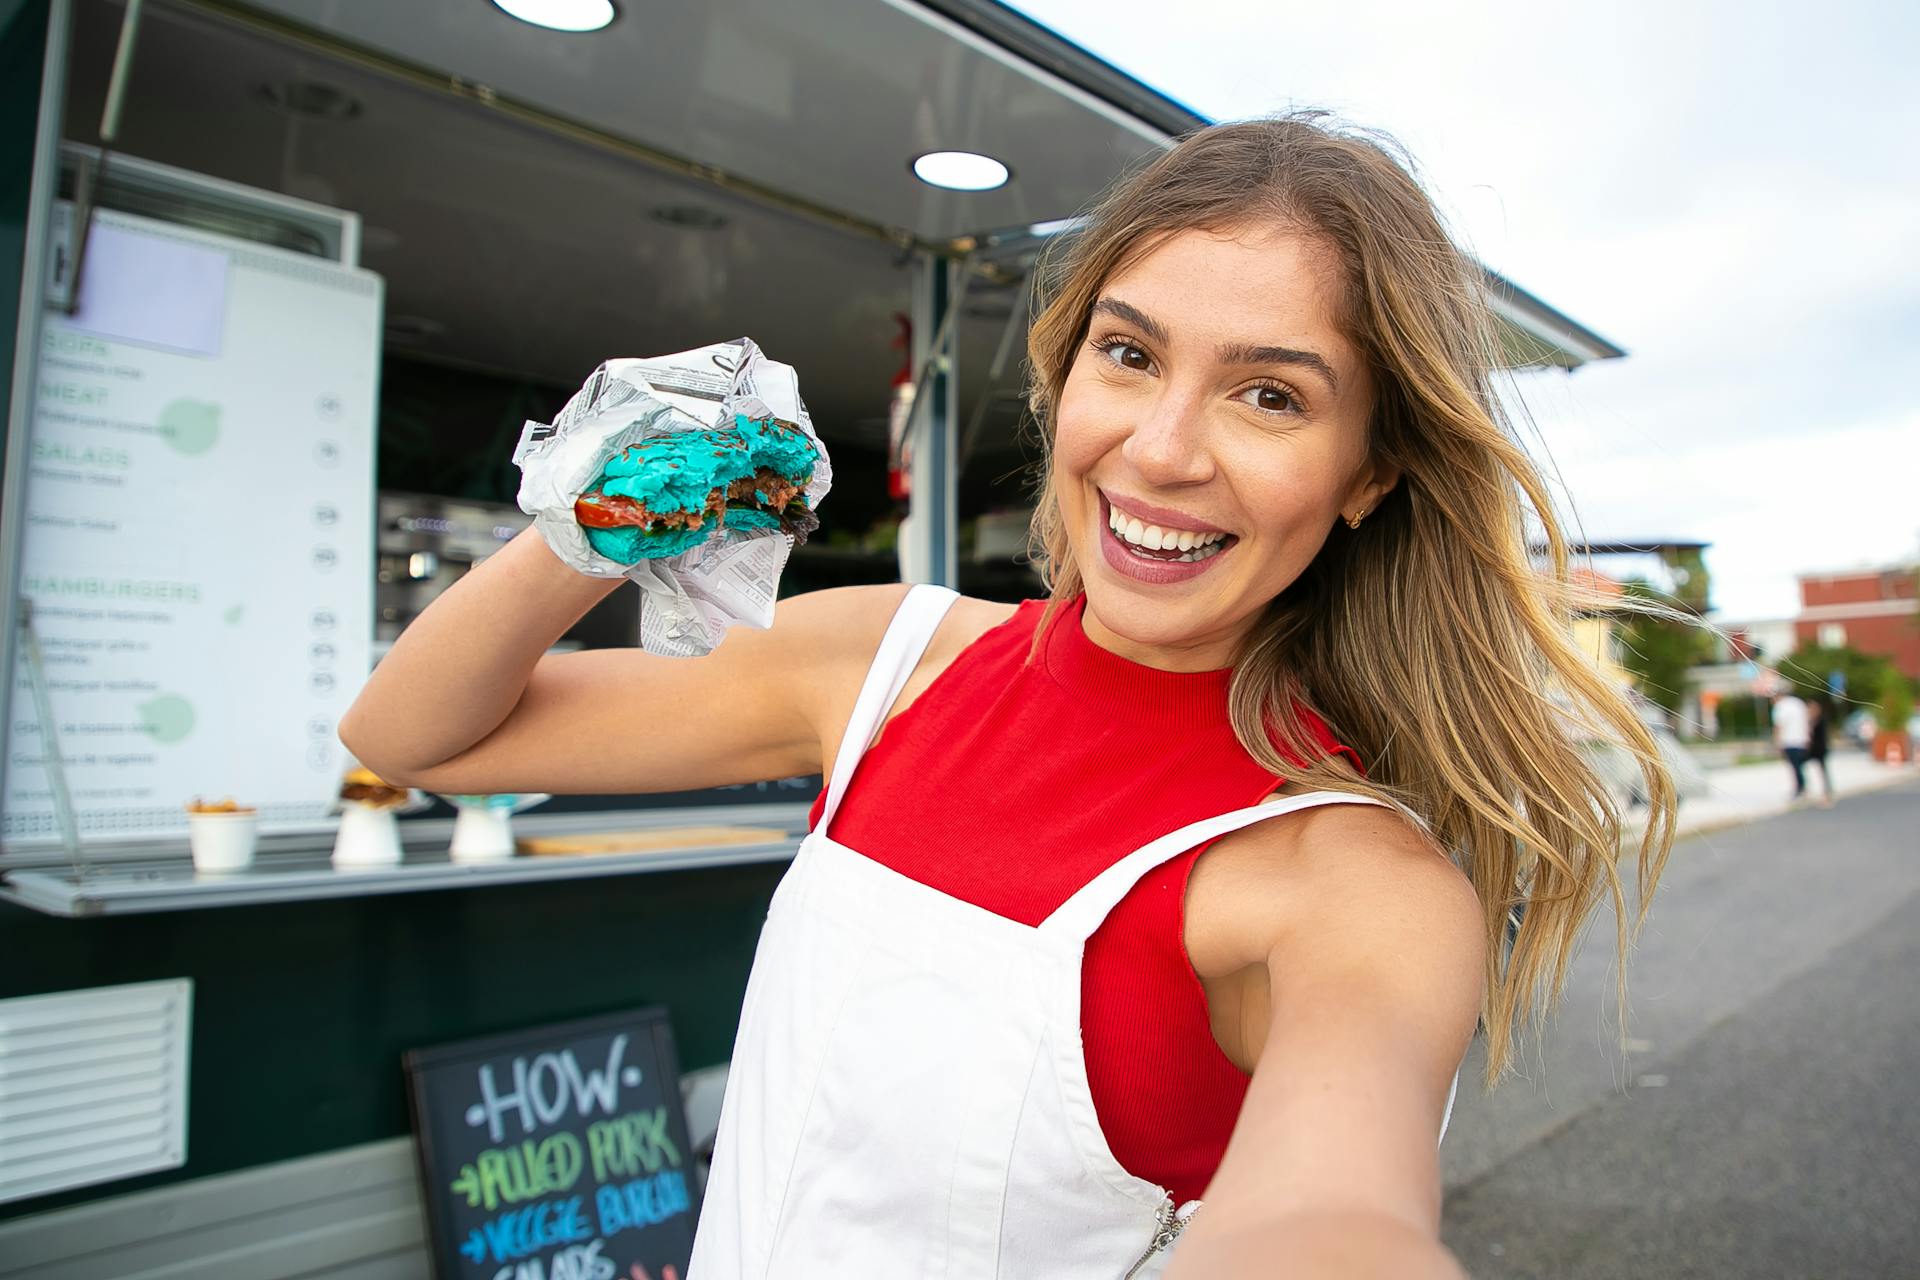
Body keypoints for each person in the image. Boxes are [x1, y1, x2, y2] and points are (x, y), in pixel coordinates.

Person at [341, 115, 1675, 1279]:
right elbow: (411, 736)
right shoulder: (884, 657)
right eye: (1131, 355)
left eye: (1269, 395)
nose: (1160, 450)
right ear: (1064, 372)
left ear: (1368, 474)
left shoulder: (1354, 882)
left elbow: (1333, 1223)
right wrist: (599, 517)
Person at [1772, 688, 1812, 800]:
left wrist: (1777, 742)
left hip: (1789, 741)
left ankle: (1800, 788)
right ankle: (1803, 787)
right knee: (1800, 766)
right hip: (1802, 739)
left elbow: (1779, 726)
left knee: (1795, 767)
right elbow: (1807, 721)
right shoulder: (1798, 703)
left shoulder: (1781, 707)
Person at [1805, 696, 1836, 806]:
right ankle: (1807, 789)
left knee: (1823, 771)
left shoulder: (1820, 720)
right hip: (1811, 750)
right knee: (1807, 769)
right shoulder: (1809, 720)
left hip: (1820, 749)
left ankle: (1826, 792)